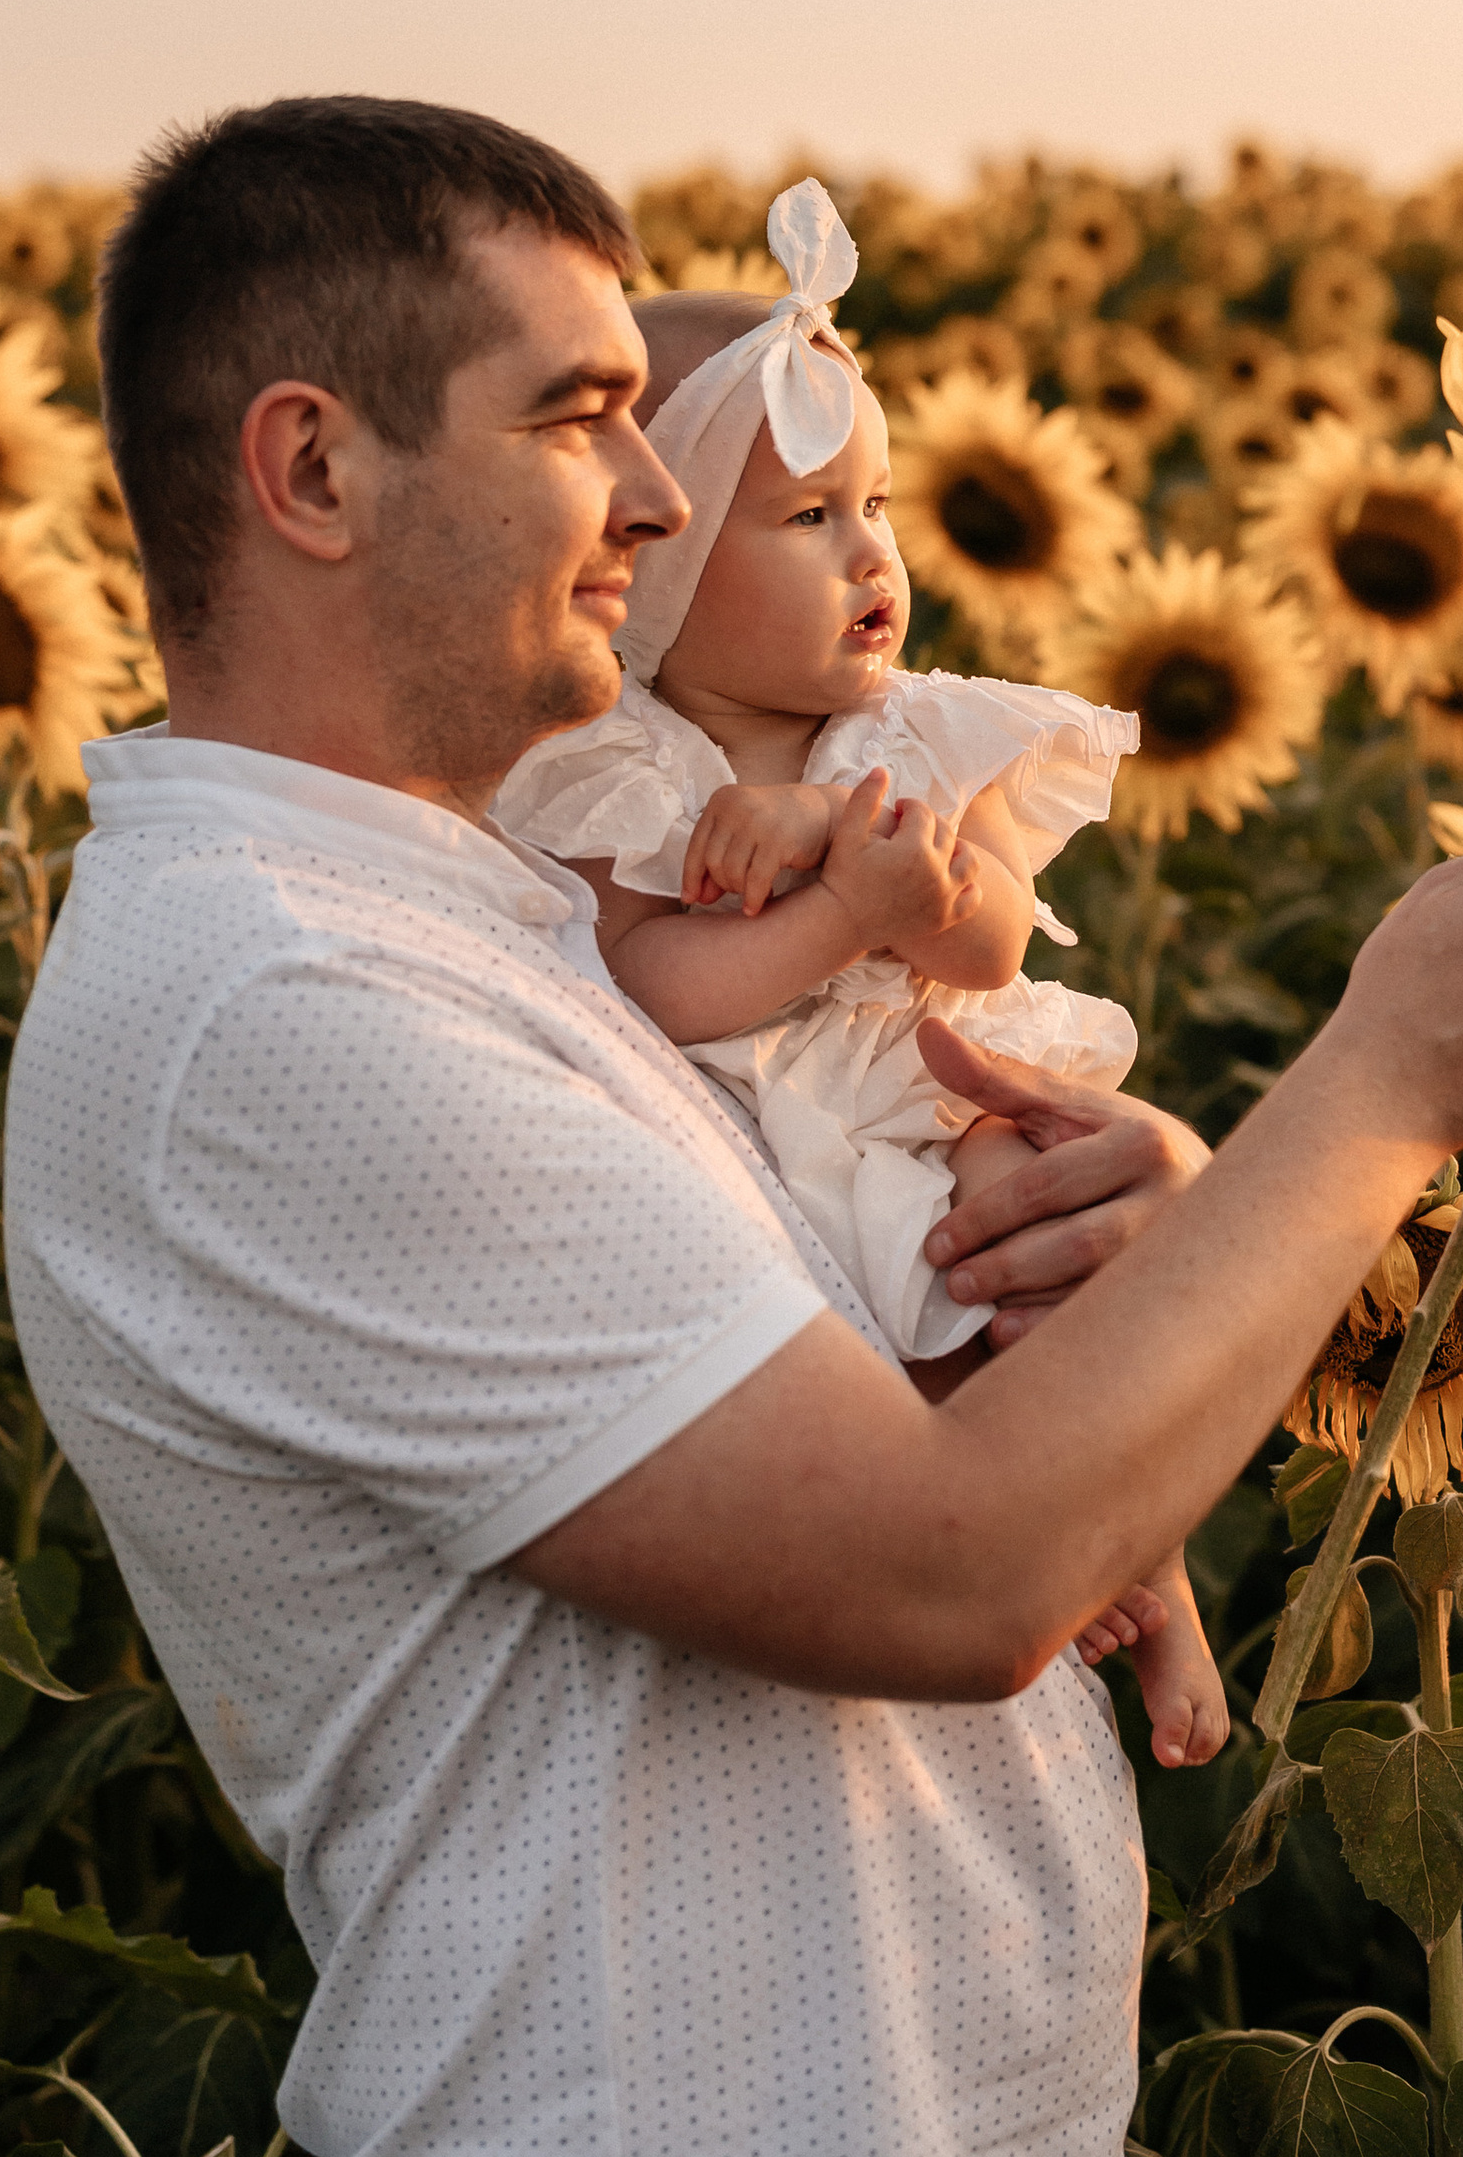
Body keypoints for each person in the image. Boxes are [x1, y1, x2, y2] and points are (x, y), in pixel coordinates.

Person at [3, 96, 1463, 2157]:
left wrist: (1152, 1218)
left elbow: (894, 1405)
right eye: (582, 420)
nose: (666, 501)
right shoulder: (286, 1014)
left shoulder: (490, 924)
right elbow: (949, 1569)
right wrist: (1386, 1092)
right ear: (313, 468)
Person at [496, 175, 1226, 1767]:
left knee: (1069, 1272)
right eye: (812, 519)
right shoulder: (629, 770)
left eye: (880, 506)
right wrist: (831, 917)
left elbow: (990, 940)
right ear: (665, 567)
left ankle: (1154, 1571)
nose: (871, 554)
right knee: (934, 1320)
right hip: (782, 1130)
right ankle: (1057, 1563)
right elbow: (664, 990)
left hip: (933, 1085)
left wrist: (865, 848)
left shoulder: (910, 735)